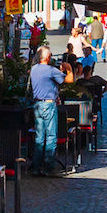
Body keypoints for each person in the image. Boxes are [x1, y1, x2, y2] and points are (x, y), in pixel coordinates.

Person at [29, 45, 63, 175]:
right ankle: (48, 166)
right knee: (50, 137)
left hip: (37, 104)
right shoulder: (50, 70)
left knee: (39, 137)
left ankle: (36, 167)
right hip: (48, 105)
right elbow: (66, 79)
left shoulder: (34, 69)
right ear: (48, 57)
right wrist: (68, 69)